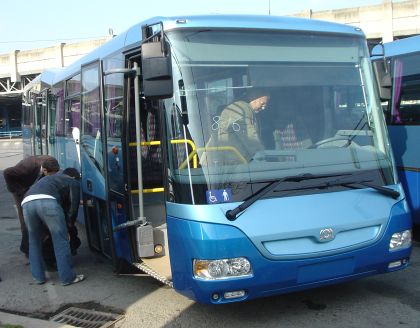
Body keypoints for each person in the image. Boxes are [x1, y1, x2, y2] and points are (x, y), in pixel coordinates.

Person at [21, 158, 84, 285]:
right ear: (74, 177)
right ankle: (67, 278)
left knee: (34, 241)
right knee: (60, 240)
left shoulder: (46, 179)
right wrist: (68, 226)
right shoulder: (73, 182)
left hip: (27, 203)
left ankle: (38, 277)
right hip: (48, 203)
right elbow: (73, 207)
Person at [3, 155, 58, 257]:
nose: (50, 178)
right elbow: (7, 172)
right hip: (20, 188)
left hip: (33, 187)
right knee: (25, 219)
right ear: (44, 170)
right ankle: (26, 249)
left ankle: (43, 244)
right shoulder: (28, 166)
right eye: (49, 175)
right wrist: (20, 191)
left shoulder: (52, 163)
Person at [217, 88, 270, 161]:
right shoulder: (240, 109)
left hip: (237, 160)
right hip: (232, 163)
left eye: (266, 104)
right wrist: (260, 155)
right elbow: (249, 136)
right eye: (262, 103)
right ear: (253, 98)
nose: (264, 108)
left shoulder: (248, 110)